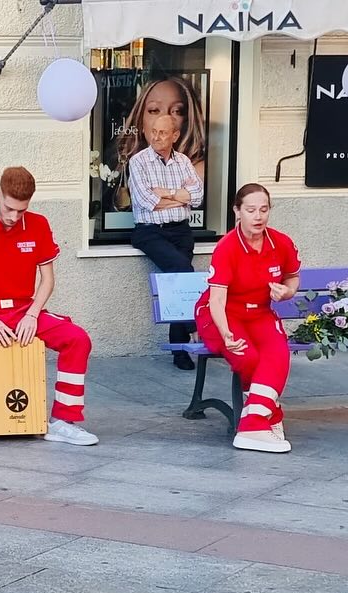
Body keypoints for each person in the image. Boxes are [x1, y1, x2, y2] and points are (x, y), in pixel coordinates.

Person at [0, 166, 97, 448]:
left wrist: (33, 314)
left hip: (25, 309)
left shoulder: (38, 224)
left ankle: (64, 422)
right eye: (9, 208)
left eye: (21, 211)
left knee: (77, 338)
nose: (14, 217)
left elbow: (47, 279)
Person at [194, 183, 300, 453]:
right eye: (251, 210)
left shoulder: (281, 242)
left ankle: (252, 425)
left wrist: (286, 292)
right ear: (237, 211)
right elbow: (217, 299)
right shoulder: (227, 246)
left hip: (260, 312)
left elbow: (292, 277)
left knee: (278, 354)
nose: (258, 216)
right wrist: (226, 333)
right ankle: (268, 416)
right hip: (223, 313)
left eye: (263, 209)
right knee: (248, 357)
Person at [128, 114, 204, 370]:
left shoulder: (183, 162)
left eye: (163, 133)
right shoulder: (138, 162)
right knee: (183, 273)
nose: (156, 137)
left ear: (175, 136)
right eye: (154, 131)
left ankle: (179, 350)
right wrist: (181, 197)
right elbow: (147, 202)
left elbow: (198, 196)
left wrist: (169, 194)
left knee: (178, 278)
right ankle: (195, 328)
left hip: (181, 230)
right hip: (150, 231)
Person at [118, 76, 207, 183]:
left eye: (177, 111)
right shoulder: (127, 168)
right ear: (140, 121)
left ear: (190, 120)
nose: (164, 118)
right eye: (154, 110)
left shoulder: (198, 173)